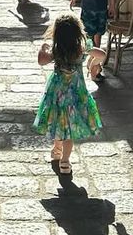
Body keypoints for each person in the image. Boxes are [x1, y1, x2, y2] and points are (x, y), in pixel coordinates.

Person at [34, 13, 105, 176]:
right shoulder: (81, 49)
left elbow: (41, 61)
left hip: (57, 96)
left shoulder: (56, 50)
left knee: (59, 124)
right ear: (77, 33)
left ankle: (57, 150)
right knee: (69, 130)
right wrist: (93, 64)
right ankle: (65, 161)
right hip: (76, 96)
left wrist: (44, 47)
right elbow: (101, 54)